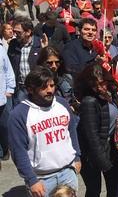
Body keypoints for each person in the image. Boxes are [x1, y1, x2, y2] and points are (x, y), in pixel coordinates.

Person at [9, 66, 81, 197]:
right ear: (30, 89)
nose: (50, 90)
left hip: (68, 172)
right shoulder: (19, 114)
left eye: (52, 86)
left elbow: (71, 132)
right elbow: (18, 151)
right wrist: (31, 180)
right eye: (44, 87)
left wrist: (77, 157)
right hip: (42, 180)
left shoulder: (62, 104)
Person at [76, 63, 118, 197]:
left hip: (111, 147)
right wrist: (104, 163)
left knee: (115, 189)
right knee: (94, 190)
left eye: (102, 83)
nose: (99, 88)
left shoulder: (111, 93)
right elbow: (92, 138)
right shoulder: (89, 102)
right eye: (94, 85)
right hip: (92, 154)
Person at [8, 17, 43, 104]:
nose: (15, 35)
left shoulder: (40, 44)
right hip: (20, 89)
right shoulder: (13, 44)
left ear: (28, 32)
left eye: (18, 32)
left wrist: (44, 49)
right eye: (14, 32)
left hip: (37, 88)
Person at [0, 43, 15, 165]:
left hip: (2, 96)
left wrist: (10, 88)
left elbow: (8, 70)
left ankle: (5, 149)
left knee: (4, 126)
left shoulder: (0, 49)